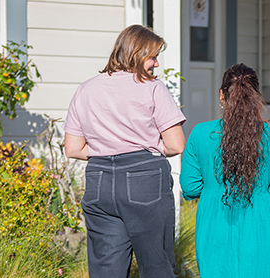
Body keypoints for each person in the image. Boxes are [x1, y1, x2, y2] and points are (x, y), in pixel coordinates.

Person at [63, 25, 185, 278]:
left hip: (99, 181)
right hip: (145, 179)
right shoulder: (152, 87)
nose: (156, 64)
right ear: (137, 53)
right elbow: (175, 145)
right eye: (153, 56)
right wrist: (144, 147)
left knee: (106, 270)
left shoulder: (86, 89)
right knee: (156, 267)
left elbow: (73, 148)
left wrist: (107, 151)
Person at [180, 63, 270, 277]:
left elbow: (190, 186)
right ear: (257, 96)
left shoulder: (200, 133)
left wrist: (213, 190)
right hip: (258, 216)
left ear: (221, 95)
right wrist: (260, 197)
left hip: (213, 217)